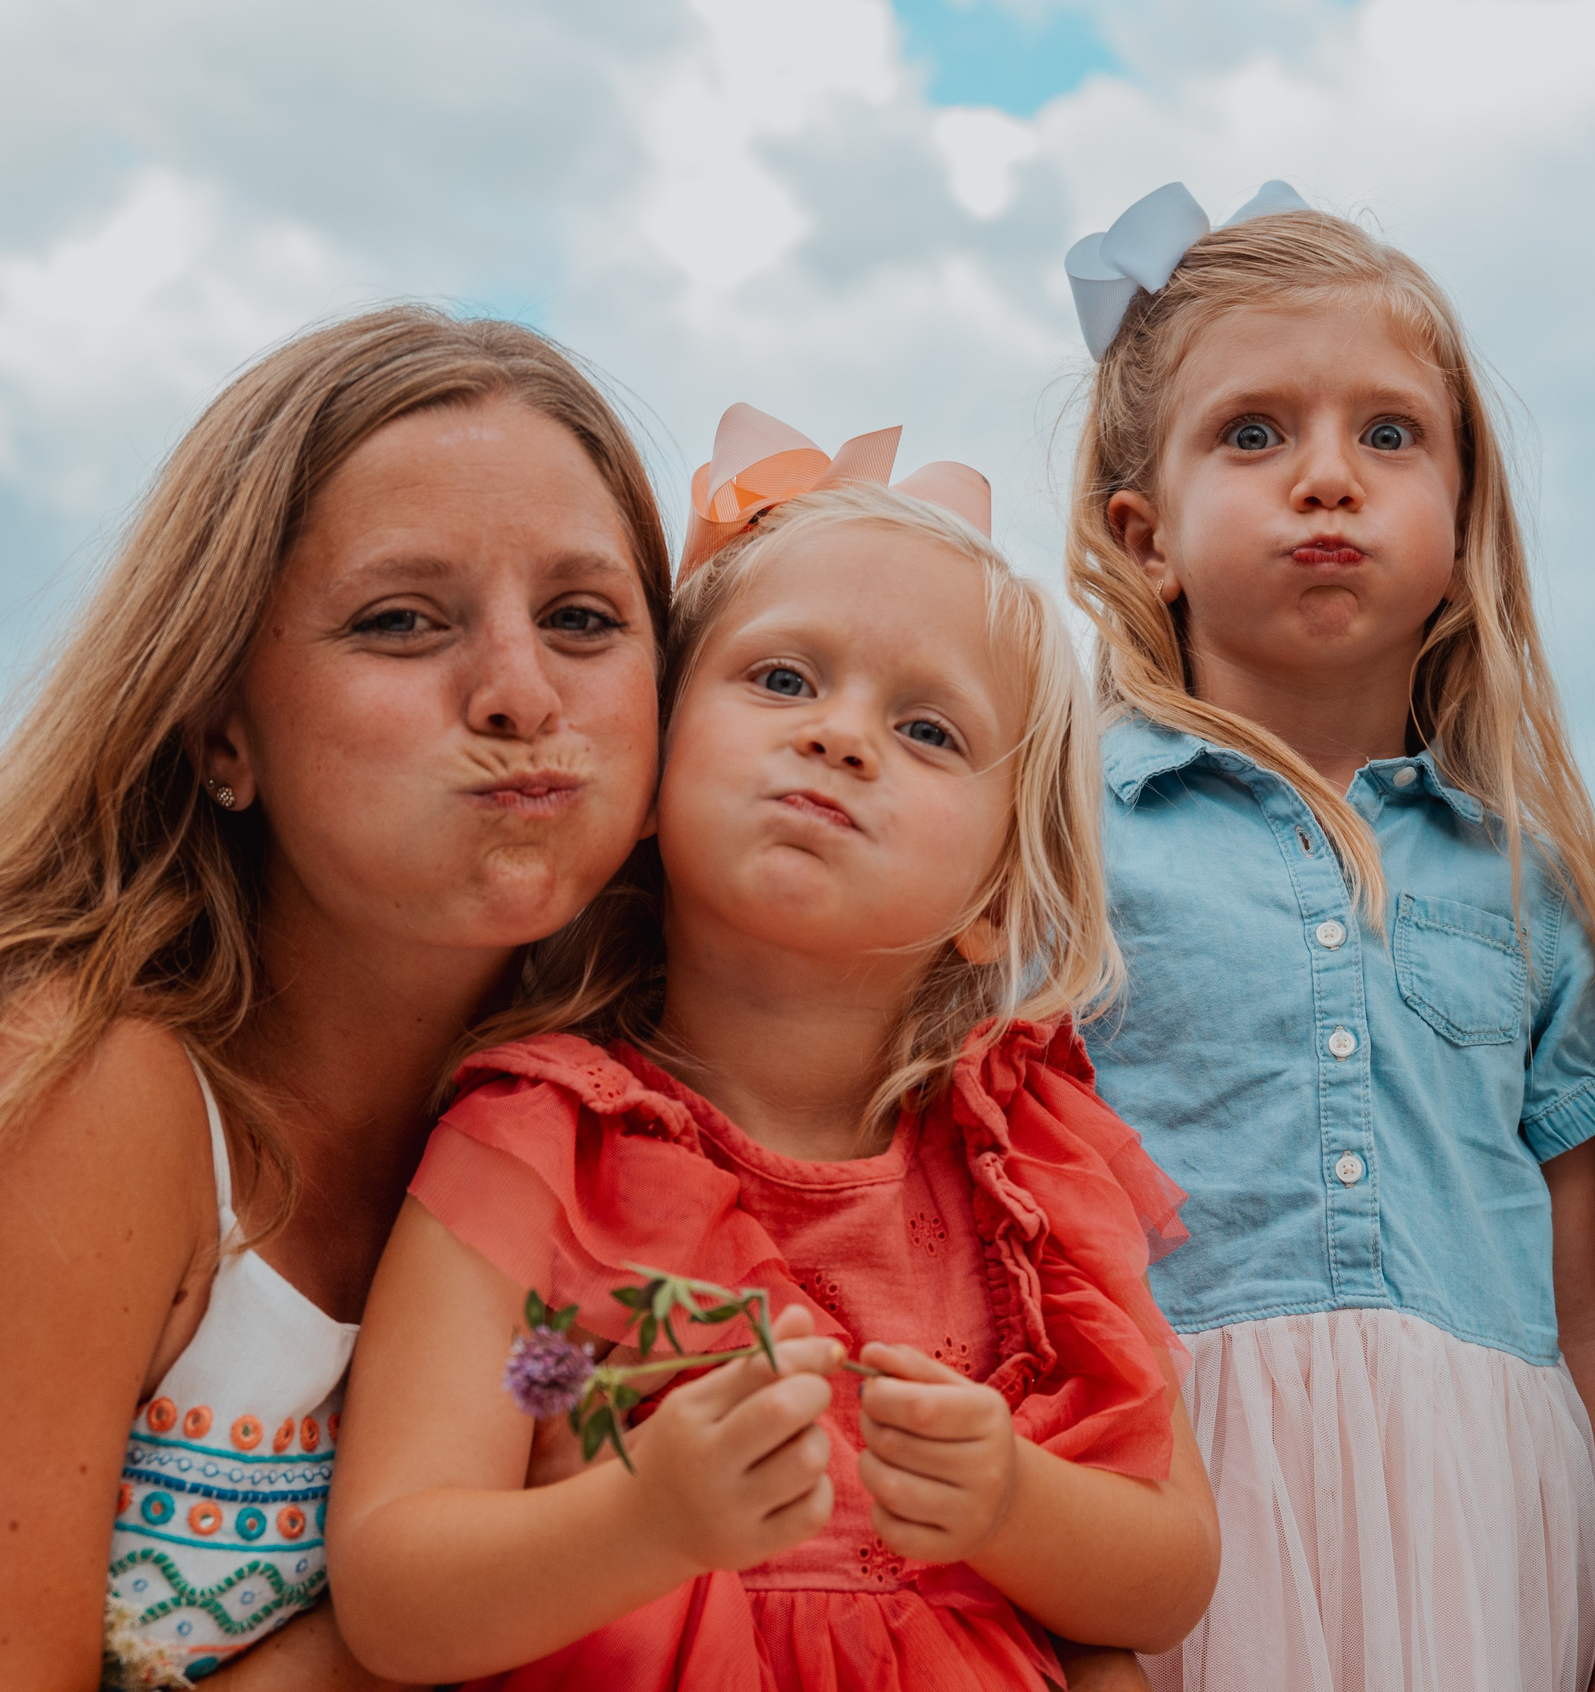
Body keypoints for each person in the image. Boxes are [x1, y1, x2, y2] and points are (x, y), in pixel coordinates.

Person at [0, 306, 671, 1688]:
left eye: (583, 618)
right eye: (401, 620)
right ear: (223, 725)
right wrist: (544, 1560)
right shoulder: (82, 1086)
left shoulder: (634, 1133)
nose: (520, 691)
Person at [324, 463, 1221, 1689]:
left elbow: (1169, 1575)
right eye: (783, 678)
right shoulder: (532, 1141)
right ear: (647, 773)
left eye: (928, 730)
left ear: (996, 899)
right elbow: (392, 1594)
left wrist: (1014, 1499)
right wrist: (644, 1518)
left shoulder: (1024, 1168)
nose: (838, 734)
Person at [1061, 184, 1595, 1691]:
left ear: (1458, 529)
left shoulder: (1529, 883)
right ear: (1145, 535)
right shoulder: (1059, 839)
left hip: (1485, 1517)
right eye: (1253, 433)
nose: (1327, 477)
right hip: (1171, 1496)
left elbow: (1586, 1316)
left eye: (1389, 434)